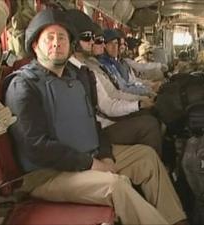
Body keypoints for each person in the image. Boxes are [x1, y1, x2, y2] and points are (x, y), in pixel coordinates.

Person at [4, 9, 187, 225]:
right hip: (46, 175)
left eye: (62, 37)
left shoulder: (77, 79)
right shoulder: (23, 85)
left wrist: (106, 155)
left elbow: (93, 125)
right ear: (35, 45)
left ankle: (176, 220)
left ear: (70, 44)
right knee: (114, 185)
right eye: (49, 38)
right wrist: (92, 163)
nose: (56, 43)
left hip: (87, 156)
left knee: (146, 157)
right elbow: (36, 147)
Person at [66, 10, 163, 156]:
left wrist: (141, 99)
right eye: (89, 38)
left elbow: (113, 97)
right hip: (98, 130)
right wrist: (141, 99)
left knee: (150, 118)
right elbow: (116, 94)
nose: (94, 43)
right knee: (148, 124)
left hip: (100, 126)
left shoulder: (89, 69)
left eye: (96, 39)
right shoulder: (84, 69)